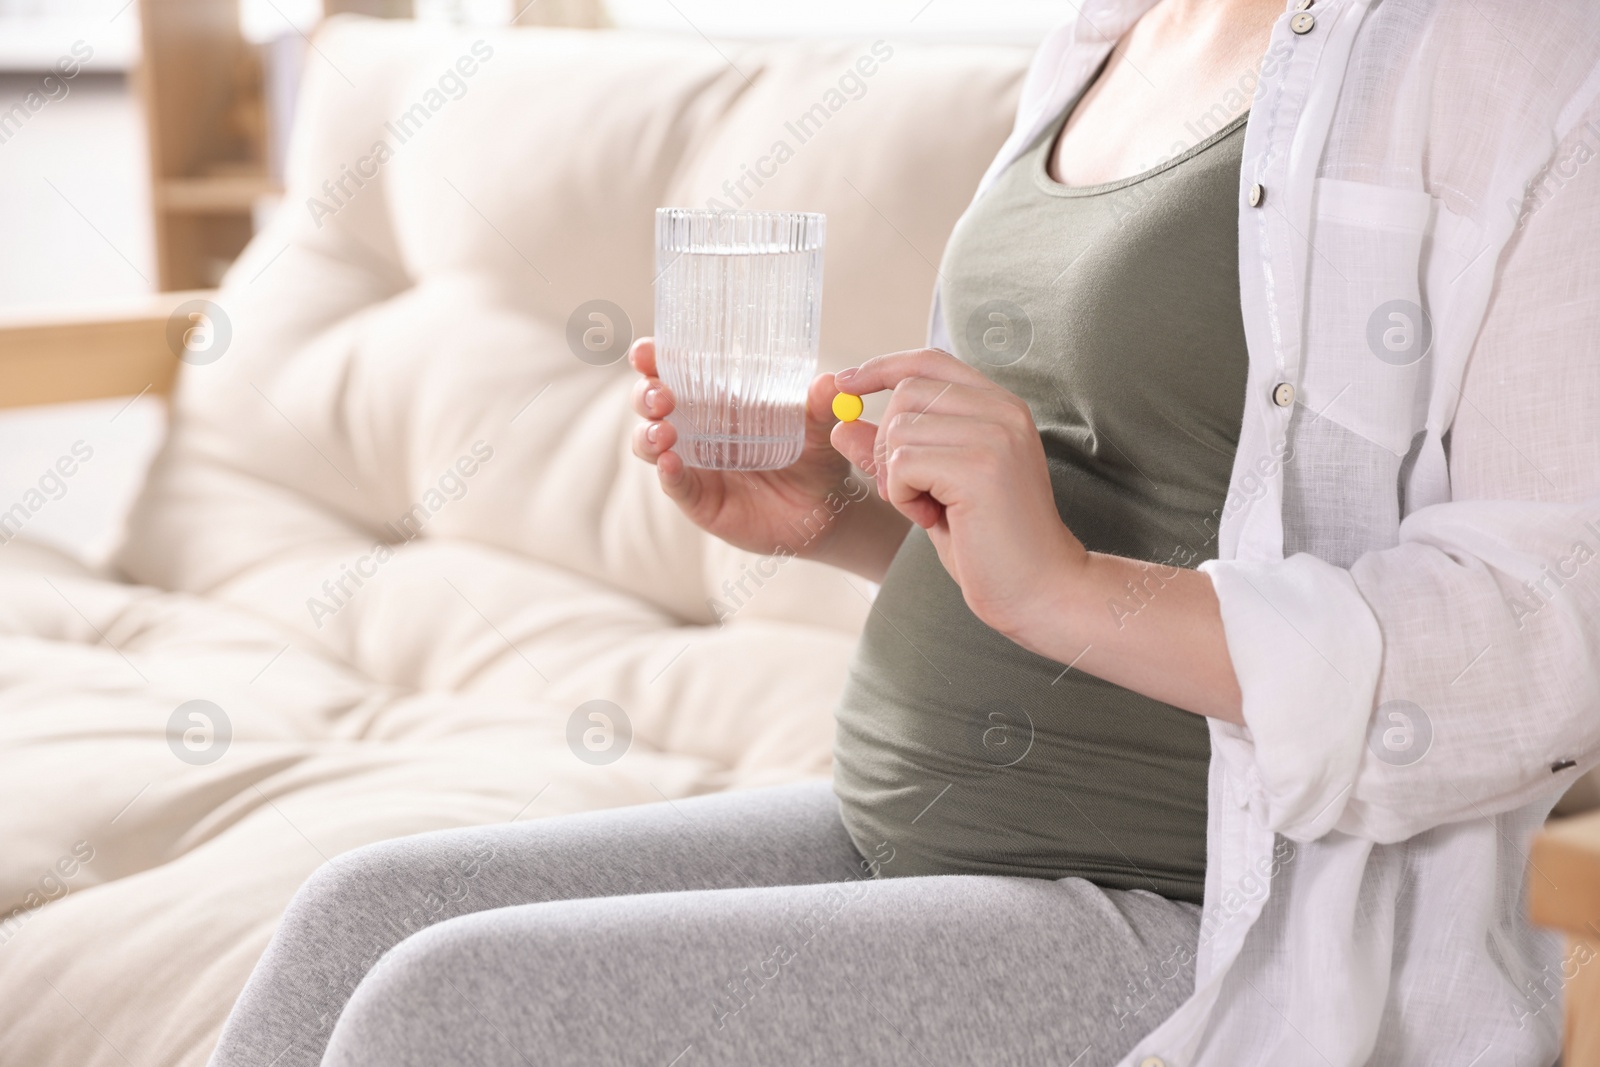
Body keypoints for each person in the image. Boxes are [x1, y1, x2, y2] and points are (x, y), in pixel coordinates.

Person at [209, 0, 1600, 1064]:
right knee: (363, 909)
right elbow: (1086, 505)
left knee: (453, 1012)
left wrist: (1060, 588)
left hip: (1198, 909)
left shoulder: (1515, 59)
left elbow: (1550, 633)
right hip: (916, 831)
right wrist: (847, 512)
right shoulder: (1111, 31)